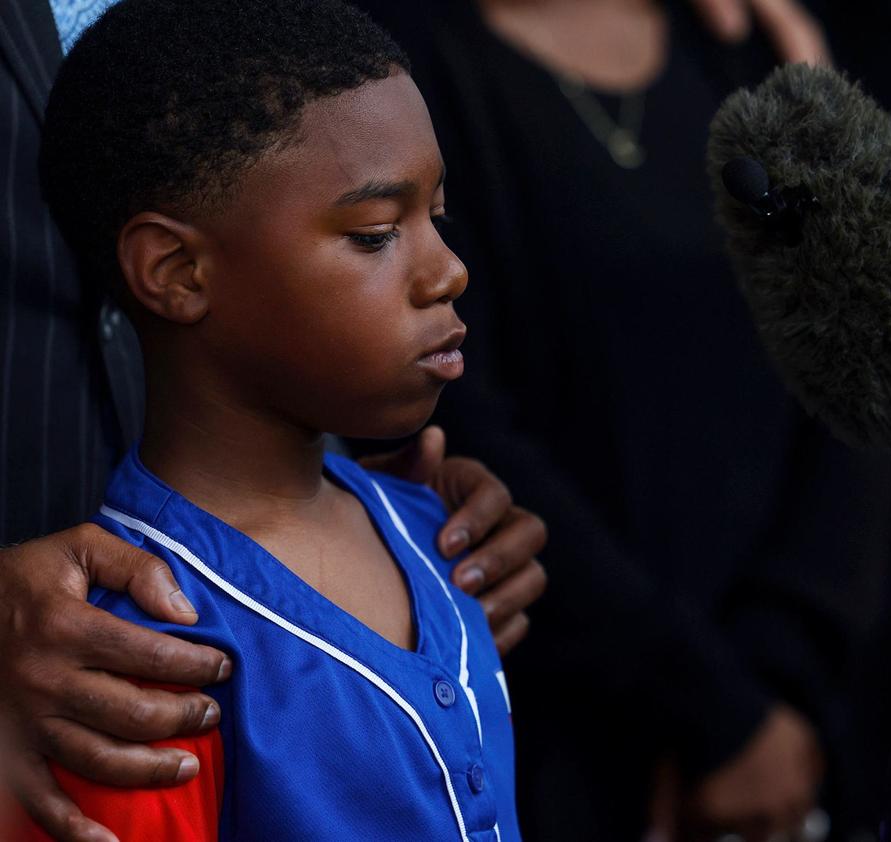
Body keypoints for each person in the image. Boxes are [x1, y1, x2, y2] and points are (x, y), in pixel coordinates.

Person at [364, 2, 891, 839]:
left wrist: (779, 684)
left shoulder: (746, 40)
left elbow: (856, 341)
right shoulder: (395, 63)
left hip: (800, 718)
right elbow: (454, 413)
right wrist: (709, 710)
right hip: (557, 722)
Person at [0, 1, 546, 838]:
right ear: (177, 271)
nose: (450, 270)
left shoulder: (433, 534)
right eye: (373, 234)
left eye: (435, 217)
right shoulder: (133, 656)